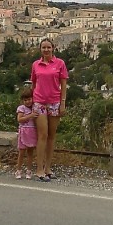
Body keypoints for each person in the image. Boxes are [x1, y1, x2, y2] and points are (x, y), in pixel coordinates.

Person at [30, 38, 68, 181]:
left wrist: (62, 103)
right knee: (42, 135)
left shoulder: (60, 64)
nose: (46, 50)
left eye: (48, 47)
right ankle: (39, 169)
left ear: (53, 48)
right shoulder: (35, 64)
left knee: (52, 136)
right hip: (39, 103)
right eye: (43, 47)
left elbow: (63, 85)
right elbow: (34, 83)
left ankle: (48, 168)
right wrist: (33, 101)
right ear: (40, 49)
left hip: (54, 102)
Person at [15, 87, 38, 179]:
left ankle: (29, 170)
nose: (28, 102)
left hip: (32, 132)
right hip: (24, 132)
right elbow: (20, 119)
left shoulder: (34, 107)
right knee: (21, 152)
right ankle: (18, 170)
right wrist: (30, 116)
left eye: (29, 99)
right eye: (25, 100)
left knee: (30, 153)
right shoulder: (22, 108)